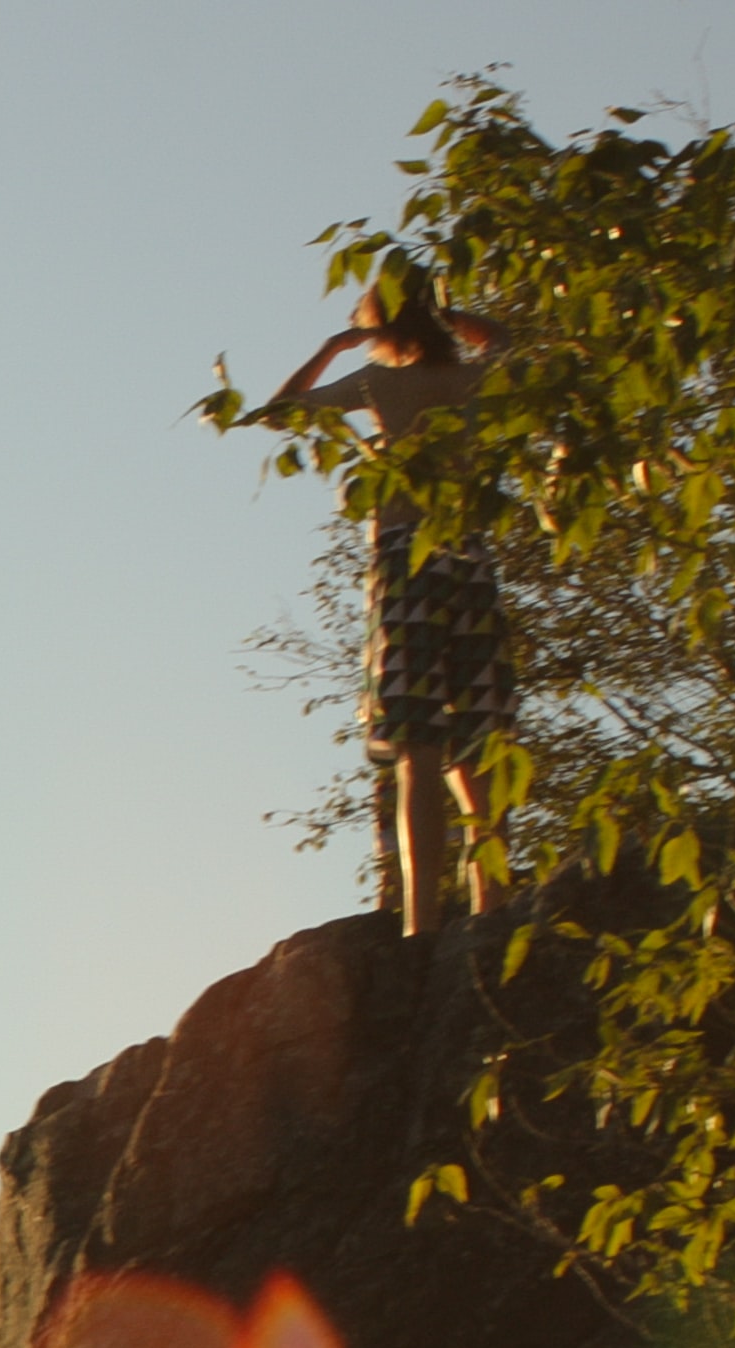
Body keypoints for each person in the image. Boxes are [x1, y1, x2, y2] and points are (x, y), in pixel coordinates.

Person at [248, 279, 513, 937]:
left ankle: (421, 928)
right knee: (478, 745)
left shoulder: (377, 384)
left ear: (377, 325)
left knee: (416, 743)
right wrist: (445, 314)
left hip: (408, 560)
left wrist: (337, 345)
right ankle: (493, 908)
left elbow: (278, 413)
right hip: (471, 558)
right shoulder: (473, 377)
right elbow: (510, 340)